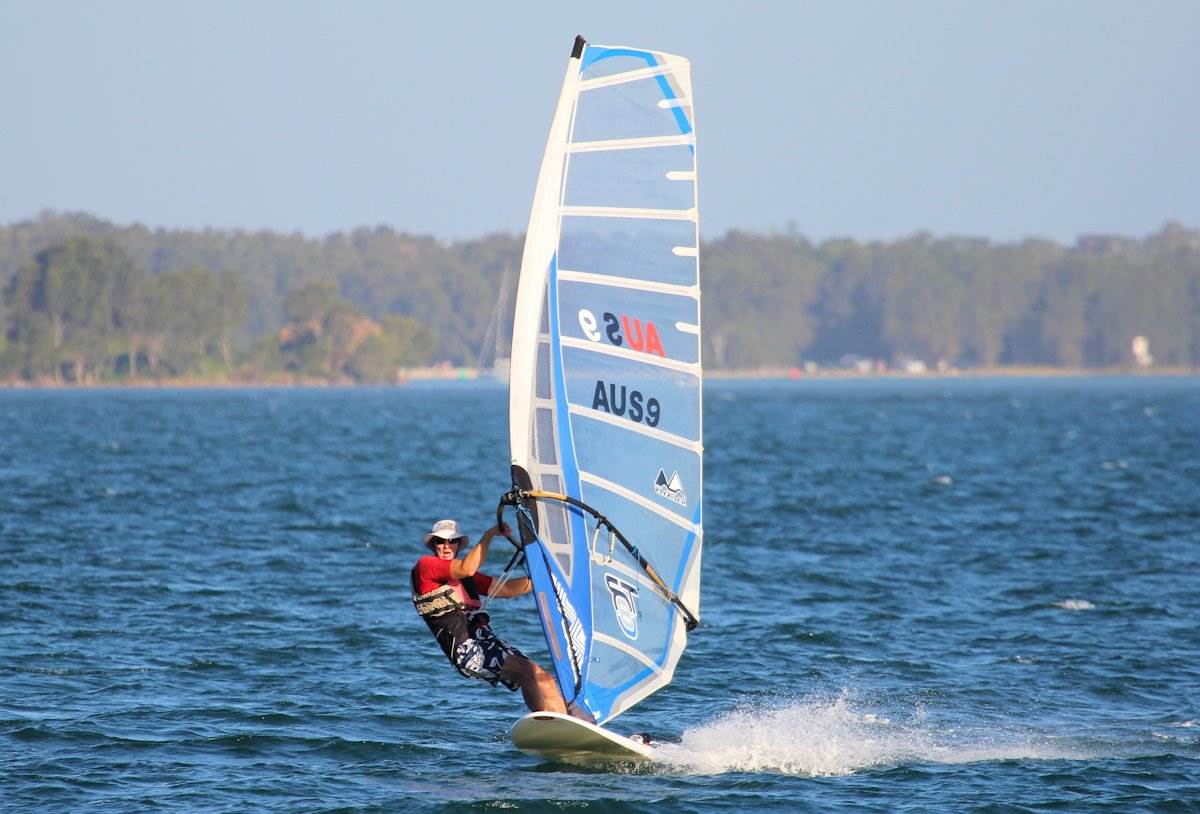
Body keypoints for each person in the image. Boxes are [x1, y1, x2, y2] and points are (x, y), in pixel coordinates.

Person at [411, 517, 578, 717]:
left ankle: (567, 723)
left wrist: (546, 576)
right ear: (433, 545)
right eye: (440, 541)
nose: (446, 546)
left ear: (458, 545)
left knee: (544, 679)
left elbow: (506, 589)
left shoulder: (467, 578)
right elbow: (467, 567)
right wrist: (490, 534)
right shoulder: (426, 566)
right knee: (526, 671)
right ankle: (547, 725)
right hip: (465, 649)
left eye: (452, 541)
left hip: (487, 642)